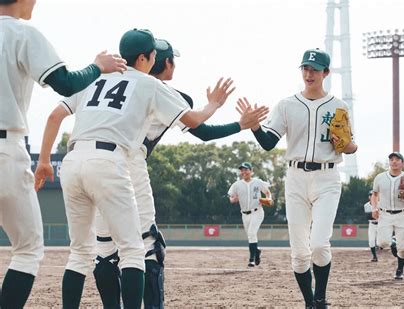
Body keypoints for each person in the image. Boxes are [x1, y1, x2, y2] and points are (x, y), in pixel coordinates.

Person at [33, 28, 234, 308]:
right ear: (145, 58)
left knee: (80, 253)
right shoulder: (150, 85)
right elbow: (196, 121)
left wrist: (43, 162)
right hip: (110, 161)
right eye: (153, 54)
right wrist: (214, 104)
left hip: (73, 159)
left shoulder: (97, 76)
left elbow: (55, 115)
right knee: (132, 251)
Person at [91, 39, 268, 309]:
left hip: (94, 161)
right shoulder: (164, 92)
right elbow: (204, 131)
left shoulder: (115, 82)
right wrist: (237, 122)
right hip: (129, 165)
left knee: (105, 249)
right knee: (148, 246)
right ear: (164, 62)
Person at [0, 0, 126, 307]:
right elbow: (65, 83)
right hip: (5, 147)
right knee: (28, 250)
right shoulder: (21, 33)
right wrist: (97, 66)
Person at [240, 48, 357, 309]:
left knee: (318, 244)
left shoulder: (339, 106)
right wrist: (255, 127)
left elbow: (351, 146)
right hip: (295, 178)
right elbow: (270, 142)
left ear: (326, 73)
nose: (309, 73)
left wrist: (346, 144)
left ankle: (321, 298)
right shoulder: (287, 104)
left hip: (327, 178)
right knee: (300, 252)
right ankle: (309, 303)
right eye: (305, 68)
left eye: (315, 69)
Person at [371, 152, 404, 280]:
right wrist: (374, 208)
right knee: (382, 242)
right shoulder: (380, 177)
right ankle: (393, 242)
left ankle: (400, 269)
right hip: (385, 213)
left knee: (403, 249)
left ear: (402, 164)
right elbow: (375, 194)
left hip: (402, 214)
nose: (394, 161)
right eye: (391, 159)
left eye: (397, 159)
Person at [228, 162, 272, 267]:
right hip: (244, 214)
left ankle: (251, 260)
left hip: (257, 212)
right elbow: (231, 198)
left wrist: (269, 198)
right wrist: (233, 199)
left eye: (246, 169)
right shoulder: (237, 184)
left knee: (252, 233)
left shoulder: (258, 182)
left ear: (251, 171)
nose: (244, 172)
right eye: (242, 170)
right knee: (250, 236)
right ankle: (256, 251)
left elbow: (267, 192)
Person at [363, 191, 378, 262]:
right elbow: (368, 217)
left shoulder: (381, 204)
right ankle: (375, 256)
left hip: (380, 224)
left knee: (383, 241)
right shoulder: (366, 205)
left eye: (373, 195)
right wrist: (376, 214)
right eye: (370, 195)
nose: (371, 196)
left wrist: (374, 214)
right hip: (372, 224)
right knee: (371, 241)